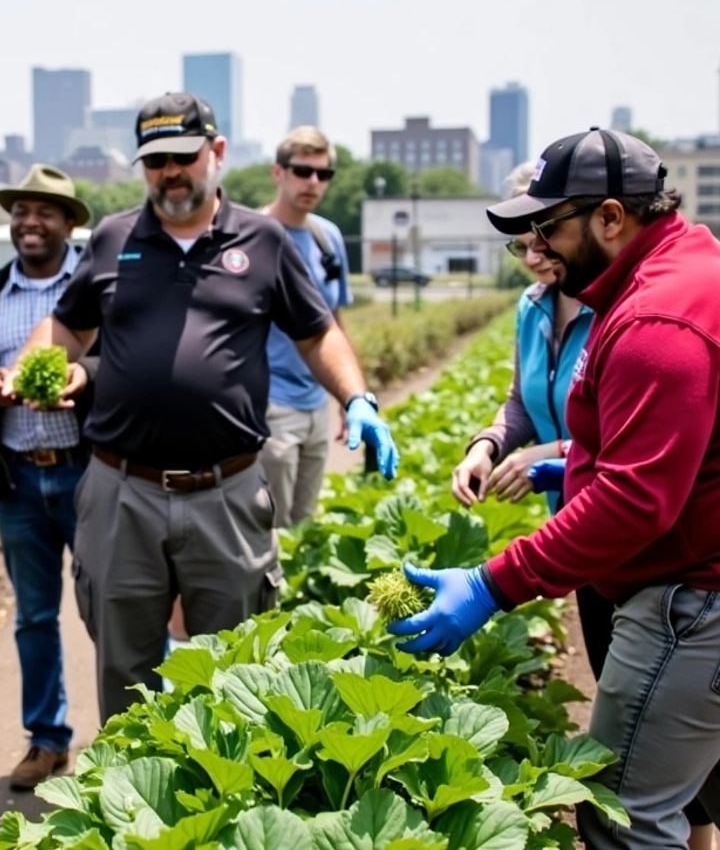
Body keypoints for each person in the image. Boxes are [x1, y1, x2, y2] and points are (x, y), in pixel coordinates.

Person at [3, 92, 399, 721]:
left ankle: (222, 808)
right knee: (125, 671)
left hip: (227, 488)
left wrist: (357, 398)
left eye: (182, 157)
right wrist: (30, 367)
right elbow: (67, 326)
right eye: (155, 160)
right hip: (121, 488)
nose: (170, 173)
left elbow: (317, 331)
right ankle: (130, 807)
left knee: (233, 671)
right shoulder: (113, 239)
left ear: (215, 152)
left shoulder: (263, 241)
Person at [390, 128, 720, 849]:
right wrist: (570, 465)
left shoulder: (657, 317)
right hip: (689, 584)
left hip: (691, 603)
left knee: (623, 818)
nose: (538, 247)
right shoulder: (676, 273)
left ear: (610, 217)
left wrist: (490, 585)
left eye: (549, 227)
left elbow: (636, 498)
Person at [0, 164, 94, 790]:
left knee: (113, 611)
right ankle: (47, 740)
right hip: (17, 481)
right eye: (21, 212)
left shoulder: (94, 288)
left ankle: (141, 728)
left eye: (45, 212)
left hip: (89, 475)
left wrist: (81, 388)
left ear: (68, 223)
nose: (30, 223)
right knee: (34, 616)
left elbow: (123, 364)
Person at [449, 161, 608, 671]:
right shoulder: (532, 305)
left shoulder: (613, 310)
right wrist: (487, 445)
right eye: (521, 244)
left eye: (544, 240)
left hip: (620, 516)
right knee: (607, 656)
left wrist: (556, 451)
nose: (535, 256)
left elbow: (631, 434)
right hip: (569, 517)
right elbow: (522, 400)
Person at [259, 126, 354, 526]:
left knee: (304, 525)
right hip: (269, 403)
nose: (312, 182)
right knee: (268, 526)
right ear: (278, 173)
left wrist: (350, 397)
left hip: (316, 403)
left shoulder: (327, 237)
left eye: (323, 173)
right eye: (302, 171)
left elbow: (336, 322)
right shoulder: (251, 234)